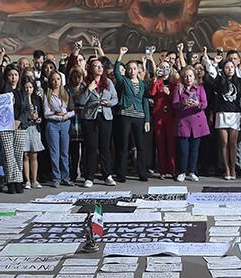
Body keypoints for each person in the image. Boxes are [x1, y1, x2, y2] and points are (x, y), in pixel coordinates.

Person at [72, 57, 118, 187]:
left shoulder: (108, 82)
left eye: (101, 66)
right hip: (90, 118)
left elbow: (115, 99)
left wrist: (108, 103)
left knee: (105, 147)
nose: (99, 68)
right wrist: (89, 89)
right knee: (91, 148)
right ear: (90, 69)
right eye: (96, 66)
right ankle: (89, 177)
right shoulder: (85, 83)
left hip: (105, 117)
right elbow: (80, 102)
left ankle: (107, 175)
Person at [205, 54, 241, 180]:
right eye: (227, 67)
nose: (229, 69)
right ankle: (227, 169)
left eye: (231, 67)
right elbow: (211, 72)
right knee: (224, 143)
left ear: (235, 68)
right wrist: (215, 63)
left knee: (233, 143)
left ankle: (234, 168)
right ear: (223, 69)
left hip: (235, 115)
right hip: (222, 114)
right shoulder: (219, 81)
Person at [113, 48, 151, 182]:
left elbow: (145, 102)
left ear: (137, 70)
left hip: (139, 116)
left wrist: (147, 119)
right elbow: (117, 72)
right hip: (125, 115)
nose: (131, 71)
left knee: (140, 146)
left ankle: (142, 173)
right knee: (123, 145)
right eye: (129, 68)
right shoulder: (124, 81)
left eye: (134, 68)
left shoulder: (142, 84)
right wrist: (120, 56)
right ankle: (121, 174)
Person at [172, 66, 209, 183]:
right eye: (186, 76)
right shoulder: (178, 88)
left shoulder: (199, 88)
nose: (188, 78)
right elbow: (174, 104)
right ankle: (182, 172)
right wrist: (183, 103)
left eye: (190, 76)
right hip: (183, 122)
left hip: (197, 122)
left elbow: (205, 104)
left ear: (194, 76)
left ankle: (192, 171)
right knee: (183, 149)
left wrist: (198, 104)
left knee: (194, 149)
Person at [0, 65, 27, 193]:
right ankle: (11, 182)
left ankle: (18, 180)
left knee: (18, 155)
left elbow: (27, 110)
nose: (13, 78)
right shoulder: (3, 89)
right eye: (10, 75)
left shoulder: (22, 91)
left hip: (20, 126)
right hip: (5, 127)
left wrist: (19, 120)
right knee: (8, 155)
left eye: (15, 75)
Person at [42, 71, 74, 186]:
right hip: (52, 124)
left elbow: (72, 111)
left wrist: (66, 115)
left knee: (64, 152)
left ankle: (66, 177)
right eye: (54, 79)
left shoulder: (66, 93)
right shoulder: (47, 95)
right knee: (54, 152)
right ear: (50, 81)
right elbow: (46, 113)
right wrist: (57, 114)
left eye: (58, 79)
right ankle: (56, 178)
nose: (56, 82)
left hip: (65, 123)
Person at [150, 66, 177, 179]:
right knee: (160, 143)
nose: (164, 69)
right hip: (159, 115)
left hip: (170, 115)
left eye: (167, 67)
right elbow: (152, 93)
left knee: (171, 143)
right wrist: (155, 79)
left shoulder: (174, 82)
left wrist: (169, 93)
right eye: (162, 67)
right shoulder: (158, 81)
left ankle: (173, 169)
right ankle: (162, 170)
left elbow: (176, 97)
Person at [17, 76, 45, 188]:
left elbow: (41, 113)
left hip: (34, 128)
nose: (28, 89)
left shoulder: (37, 99)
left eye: (30, 87)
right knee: (25, 155)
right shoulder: (21, 99)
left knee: (34, 154)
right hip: (24, 127)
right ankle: (27, 180)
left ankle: (34, 180)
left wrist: (39, 118)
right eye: (26, 87)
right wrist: (29, 116)